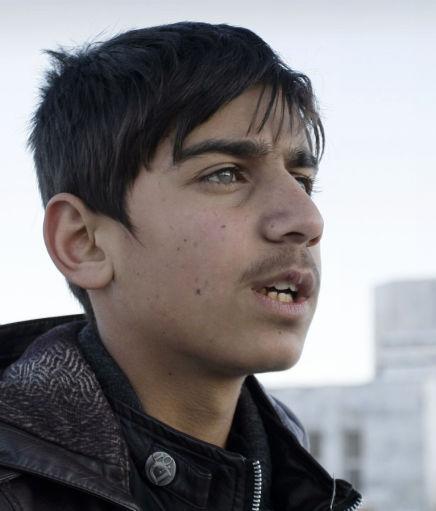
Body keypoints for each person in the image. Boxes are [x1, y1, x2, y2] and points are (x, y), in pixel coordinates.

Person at [0, 22, 362, 511]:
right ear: (83, 242)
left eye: (302, 180)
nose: (305, 219)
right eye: (225, 174)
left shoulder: (298, 480)